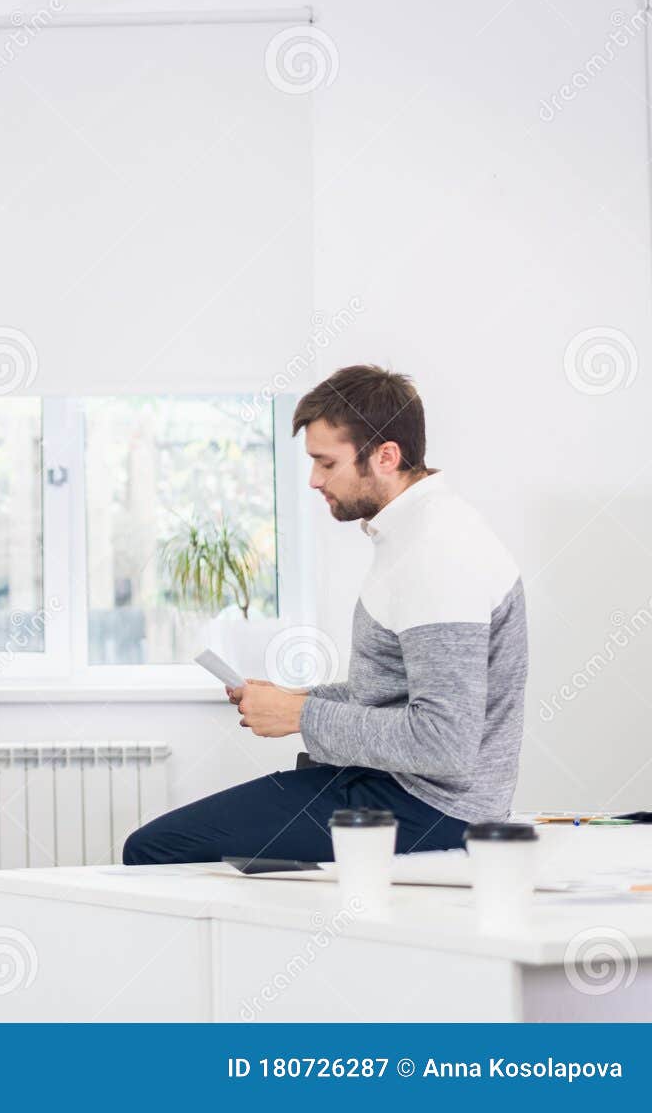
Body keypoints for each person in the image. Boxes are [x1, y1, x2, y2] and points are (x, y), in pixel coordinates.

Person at [124, 365, 527, 865]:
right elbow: (396, 696)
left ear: (386, 455)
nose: (314, 480)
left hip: (431, 808)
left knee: (155, 849)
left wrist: (298, 715)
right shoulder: (415, 534)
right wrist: (294, 697)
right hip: (401, 788)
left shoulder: (438, 553)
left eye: (326, 463)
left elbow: (445, 743)